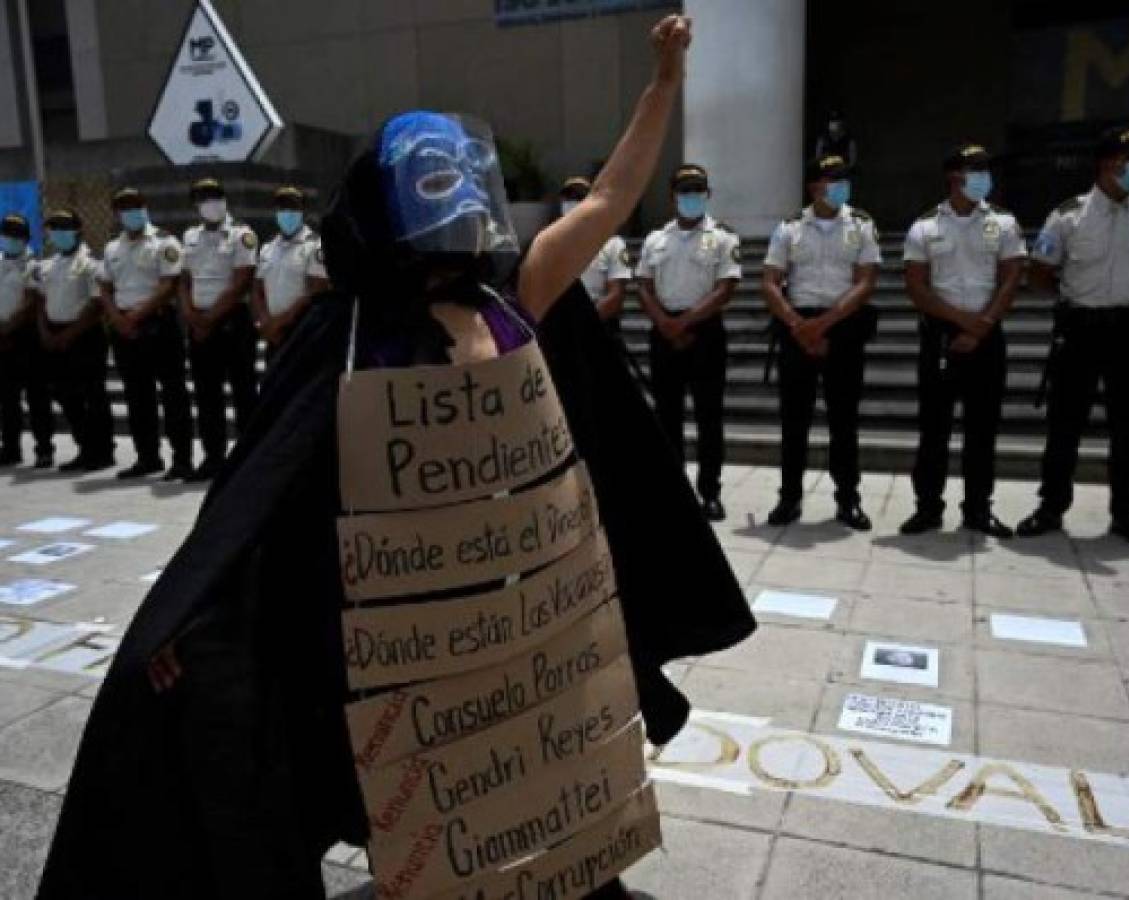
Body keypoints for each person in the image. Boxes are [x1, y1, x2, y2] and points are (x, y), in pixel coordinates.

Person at [39, 16, 755, 900]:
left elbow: (607, 201)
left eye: (459, 184)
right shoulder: (345, 339)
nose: (452, 207)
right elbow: (265, 496)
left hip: (511, 611)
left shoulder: (514, 297)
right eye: (429, 187)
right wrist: (194, 617)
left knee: (527, 777)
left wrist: (663, 84)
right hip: (401, 629)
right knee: (414, 802)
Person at [1016, 127, 1129, 548]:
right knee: (1064, 425)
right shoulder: (1068, 215)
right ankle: (1051, 507)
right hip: (1080, 329)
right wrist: (1074, 301)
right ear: (1108, 164)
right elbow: (1039, 273)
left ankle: (1125, 515)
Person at [899, 144, 1026, 538]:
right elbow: (917, 289)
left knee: (982, 430)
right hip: (941, 336)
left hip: (987, 335)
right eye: (976, 170)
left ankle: (977, 510)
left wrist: (981, 326)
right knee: (934, 429)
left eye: (986, 169)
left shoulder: (1004, 223)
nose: (984, 177)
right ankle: (928, 509)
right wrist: (962, 324)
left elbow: (1011, 277)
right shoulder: (925, 226)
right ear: (954, 177)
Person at [762, 153, 879, 529]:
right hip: (798, 326)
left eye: (845, 179)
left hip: (842, 327)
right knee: (793, 422)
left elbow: (865, 282)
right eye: (833, 179)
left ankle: (848, 500)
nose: (841, 185)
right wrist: (800, 326)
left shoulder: (861, 225)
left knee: (844, 422)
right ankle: (789, 499)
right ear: (814, 185)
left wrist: (824, 325)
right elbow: (770, 281)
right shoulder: (789, 227)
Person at [636, 164, 741, 521]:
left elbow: (726, 288)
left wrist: (684, 322)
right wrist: (665, 322)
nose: (691, 197)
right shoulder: (655, 240)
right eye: (685, 191)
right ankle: (674, 492)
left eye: (698, 190)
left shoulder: (724, 237)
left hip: (704, 334)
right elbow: (644, 287)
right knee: (667, 418)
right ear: (673, 196)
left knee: (709, 418)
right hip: (664, 333)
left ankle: (710, 492)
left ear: (707, 195)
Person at [98, 187, 195, 480]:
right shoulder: (112, 248)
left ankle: (182, 460)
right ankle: (147, 457)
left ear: (145, 207)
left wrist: (137, 316)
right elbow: (104, 286)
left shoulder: (165, 242)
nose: (129, 212)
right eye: (123, 207)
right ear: (116, 213)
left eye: (134, 206)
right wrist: (117, 318)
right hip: (125, 329)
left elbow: (169, 284)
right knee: (137, 397)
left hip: (159, 325)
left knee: (173, 395)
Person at [181, 178, 259, 481]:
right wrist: (190, 314)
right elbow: (185, 279)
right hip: (199, 325)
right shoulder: (189, 236)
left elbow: (241, 282)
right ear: (195, 205)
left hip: (231, 323)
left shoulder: (242, 235)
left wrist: (210, 318)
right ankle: (213, 458)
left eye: (214, 196)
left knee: (243, 393)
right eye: (202, 198)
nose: (209, 203)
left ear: (225, 200)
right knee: (206, 395)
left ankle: (248, 459)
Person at [30, 209, 115, 472]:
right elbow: (42, 300)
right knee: (66, 395)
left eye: (64, 227)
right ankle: (85, 447)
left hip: (84, 336)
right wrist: (44, 330)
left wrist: (70, 333)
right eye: (53, 228)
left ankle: (102, 451)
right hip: (55, 335)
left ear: (77, 230)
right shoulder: (48, 265)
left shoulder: (91, 263)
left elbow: (96, 305)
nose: (58, 233)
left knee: (93, 395)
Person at [0, 212, 54, 468]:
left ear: (25, 238)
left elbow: (33, 302)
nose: (10, 239)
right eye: (7, 234)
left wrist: (7, 329)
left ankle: (44, 448)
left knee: (36, 397)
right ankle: (10, 448)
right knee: (7, 399)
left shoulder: (34, 266)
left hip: (26, 337)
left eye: (16, 235)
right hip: (2, 337)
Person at [252, 185, 329, 362]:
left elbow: (316, 292)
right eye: (282, 208)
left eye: (292, 207)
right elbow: (257, 291)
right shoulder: (268, 248)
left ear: (302, 211)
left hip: (301, 335)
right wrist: (266, 322)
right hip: (273, 335)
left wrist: (280, 322)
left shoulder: (314, 246)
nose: (287, 213)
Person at [559, 175, 633, 333]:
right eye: (569, 197)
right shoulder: (550, 244)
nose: (573, 202)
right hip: (562, 325)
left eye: (580, 197)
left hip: (599, 323)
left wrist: (584, 322)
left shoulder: (612, 243)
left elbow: (616, 295)